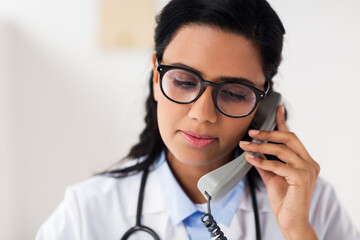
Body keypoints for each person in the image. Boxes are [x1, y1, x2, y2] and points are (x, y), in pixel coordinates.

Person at [35, 0, 360, 239]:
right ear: (155, 77)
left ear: (264, 102)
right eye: (184, 81)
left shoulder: (314, 206)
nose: (202, 114)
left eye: (234, 92)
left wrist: (297, 231)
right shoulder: (86, 213)